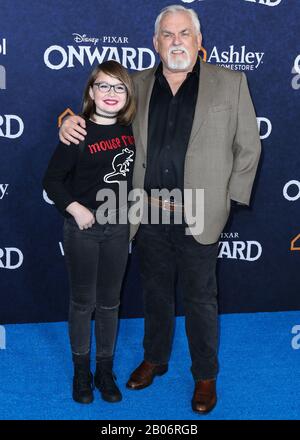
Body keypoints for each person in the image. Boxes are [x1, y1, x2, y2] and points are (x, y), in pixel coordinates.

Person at [59, 5, 261, 414]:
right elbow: (98, 115)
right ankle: (156, 358)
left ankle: (205, 374)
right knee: (155, 293)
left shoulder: (231, 82)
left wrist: (230, 199)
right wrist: (66, 121)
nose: (175, 41)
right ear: (155, 43)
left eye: (184, 33)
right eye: (167, 35)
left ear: (198, 40)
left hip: (201, 211)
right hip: (146, 210)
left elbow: (249, 146)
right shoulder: (134, 84)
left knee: (201, 297)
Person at [43, 60, 136, 404]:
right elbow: (52, 181)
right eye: (103, 86)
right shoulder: (78, 131)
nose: (111, 93)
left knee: (110, 303)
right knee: (83, 303)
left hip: (118, 228)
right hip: (82, 230)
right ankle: (81, 371)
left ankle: (104, 369)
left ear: (128, 94)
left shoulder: (132, 130)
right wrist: (75, 208)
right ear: (91, 92)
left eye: (119, 87)